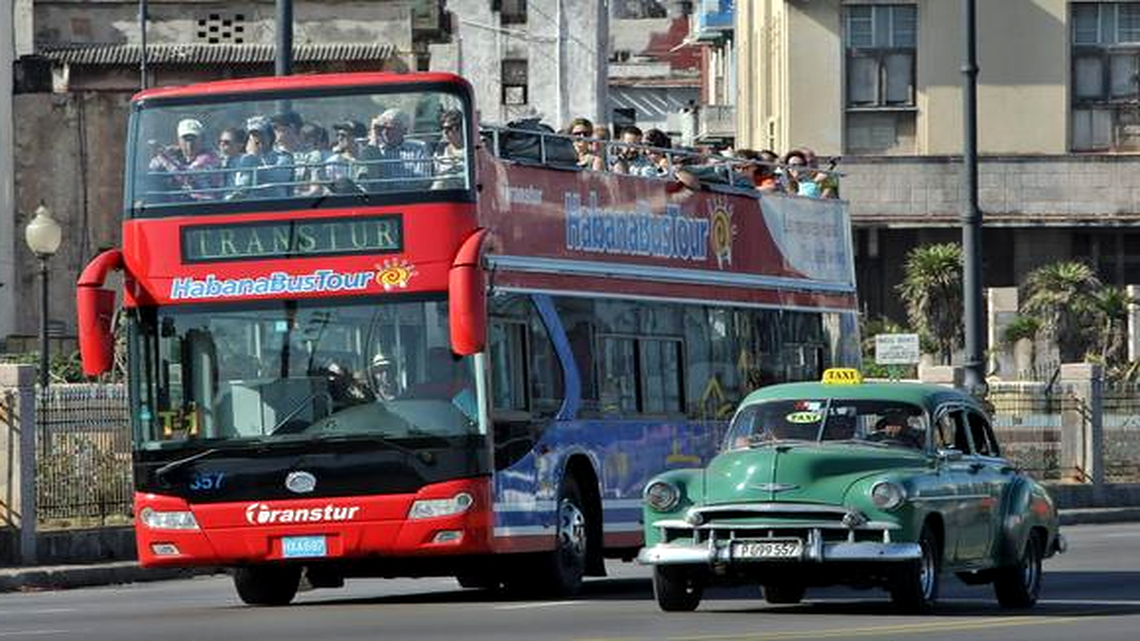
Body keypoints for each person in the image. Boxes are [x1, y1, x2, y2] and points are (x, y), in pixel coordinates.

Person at [147, 117, 221, 202]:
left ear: (202, 139)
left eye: (193, 138)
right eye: (185, 139)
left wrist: (164, 156)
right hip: (178, 205)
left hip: (206, 205)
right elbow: (152, 168)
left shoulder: (210, 156)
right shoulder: (173, 154)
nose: (189, 144)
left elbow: (187, 176)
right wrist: (155, 154)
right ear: (178, 140)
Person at [358, 108, 431, 191]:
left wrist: (393, 187)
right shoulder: (374, 150)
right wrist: (374, 133)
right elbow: (366, 179)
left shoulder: (418, 148)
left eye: (390, 129)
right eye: (382, 128)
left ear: (404, 130)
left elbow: (423, 180)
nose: (384, 132)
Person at [233, 116, 294, 199]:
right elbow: (241, 185)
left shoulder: (283, 157)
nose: (257, 139)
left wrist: (255, 157)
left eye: (261, 134)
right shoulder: (243, 159)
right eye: (254, 135)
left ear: (270, 136)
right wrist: (250, 158)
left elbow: (275, 179)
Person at [432, 108, 466, 189]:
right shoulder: (440, 151)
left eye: (449, 128)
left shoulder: (474, 148)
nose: (445, 132)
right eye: (442, 128)